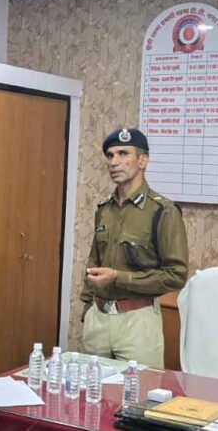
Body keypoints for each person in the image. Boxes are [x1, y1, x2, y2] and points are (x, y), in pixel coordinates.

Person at [80, 128, 188, 368]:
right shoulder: (104, 209)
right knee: (91, 390)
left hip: (137, 321)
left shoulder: (163, 211)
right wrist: (87, 309)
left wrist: (119, 277)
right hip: (98, 318)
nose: (114, 162)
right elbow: (93, 262)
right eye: (110, 155)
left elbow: (176, 276)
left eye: (123, 154)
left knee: (139, 390)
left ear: (142, 161)